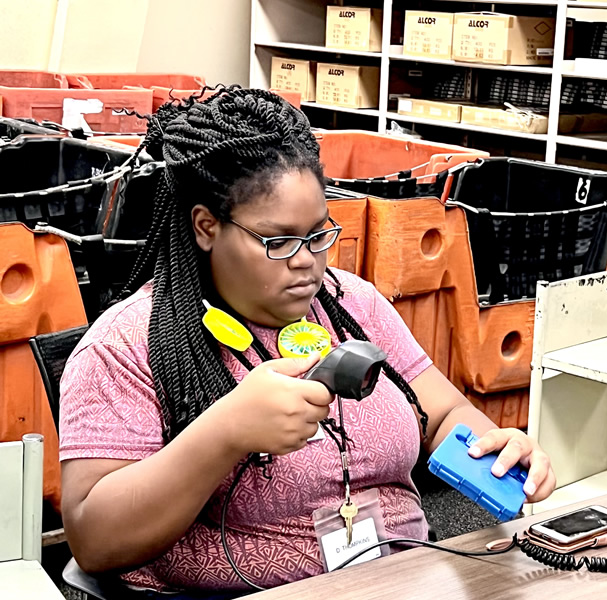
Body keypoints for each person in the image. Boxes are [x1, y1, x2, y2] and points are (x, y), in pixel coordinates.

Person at [59, 87, 556, 596]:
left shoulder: (351, 303)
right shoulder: (126, 345)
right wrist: (224, 433)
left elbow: (444, 415)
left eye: (319, 235)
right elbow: (94, 540)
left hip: (400, 579)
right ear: (206, 227)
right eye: (278, 241)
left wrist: (500, 449)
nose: (307, 261)